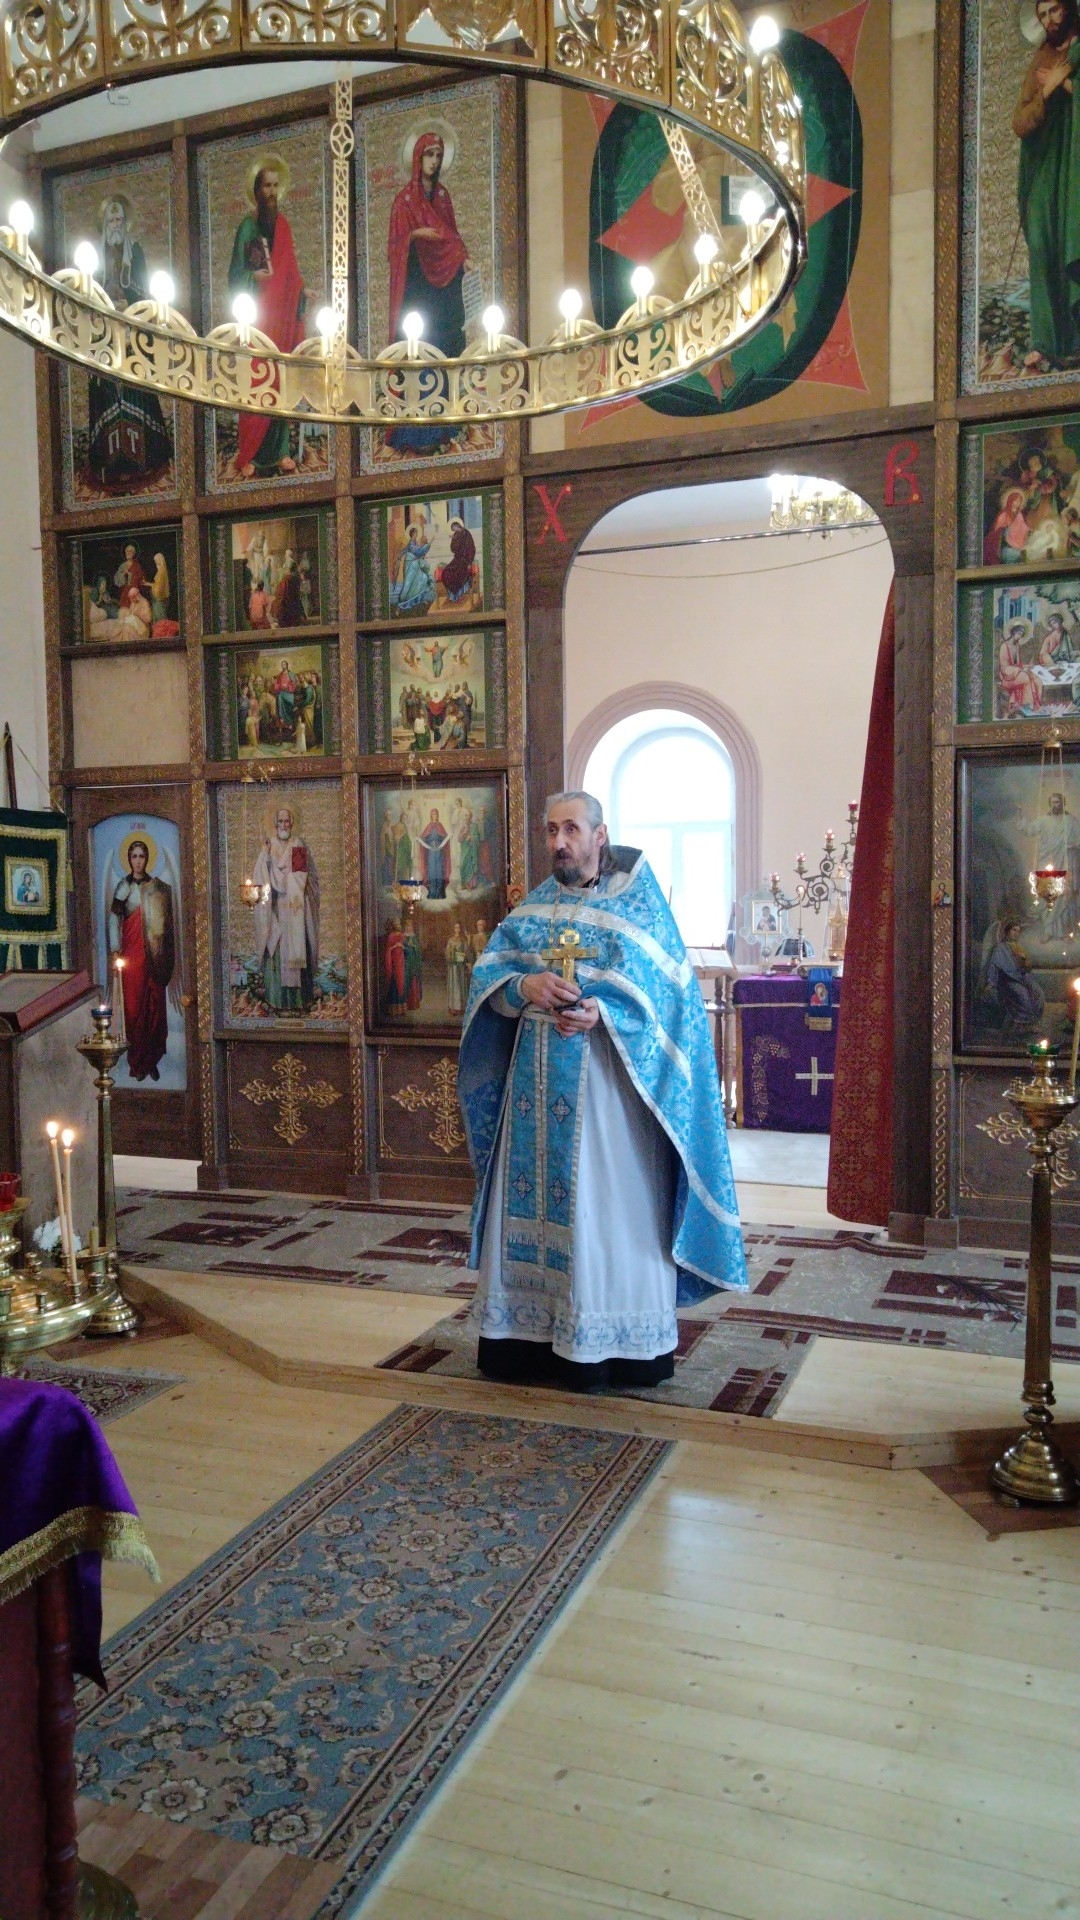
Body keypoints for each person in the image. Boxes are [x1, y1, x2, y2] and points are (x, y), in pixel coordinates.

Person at [457, 791, 747, 1390]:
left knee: (604, 1213)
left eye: (570, 829)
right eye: (550, 831)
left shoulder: (639, 906)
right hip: (533, 1090)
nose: (558, 842)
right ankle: (525, 1340)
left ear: (599, 834)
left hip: (611, 1099)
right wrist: (523, 987)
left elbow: (672, 1007)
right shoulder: (534, 908)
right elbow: (490, 977)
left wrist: (605, 1013)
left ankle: (610, 1347)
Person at [227, 158, 306, 479]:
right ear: (257, 190)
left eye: (275, 186)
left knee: (279, 378)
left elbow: (291, 272)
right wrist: (255, 279)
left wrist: (303, 292)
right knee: (257, 380)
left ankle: (281, 450)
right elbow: (239, 275)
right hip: (258, 317)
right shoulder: (249, 227)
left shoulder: (282, 225)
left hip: (281, 314)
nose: (271, 192)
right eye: (266, 186)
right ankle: (250, 453)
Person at [87, 196, 173, 490]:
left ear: (126, 223)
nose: (115, 225)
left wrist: (128, 302)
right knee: (107, 390)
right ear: (104, 224)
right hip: (105, 334)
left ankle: (146, 459)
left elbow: (143, 290)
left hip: (131, 331)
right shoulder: (95, 259)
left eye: (119, 220)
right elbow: (90, 294)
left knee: (135, 386)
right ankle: (109, 466)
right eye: (111, 220)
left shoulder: (134, 252)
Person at [1013, 0, 1080, 367]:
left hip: (1075, 165)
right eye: (1042, 14)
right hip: (1044, 166)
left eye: (1054, 9)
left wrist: (1066, 84)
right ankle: (1046, 341)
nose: (1050, 19)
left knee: (1074, 240)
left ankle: (1075, 338)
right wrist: (1046, 91)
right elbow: (1020, 122)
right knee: (1041, 246)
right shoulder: (1041, 60)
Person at [108, 838, 176, 1082]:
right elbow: (114, 919)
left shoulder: (156, 887)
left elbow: (164, 925)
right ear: (129, 859)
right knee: (135, 1008)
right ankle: (137, 1062)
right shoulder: (123, 887)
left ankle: (152, 1060)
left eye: (141, 856)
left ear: (147, 859)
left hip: (153, 957)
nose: (138, 861)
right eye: (134, 856)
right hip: (132, 955)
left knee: (154, 1005)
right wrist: (115, 948)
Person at [251, 805, 320, 1013]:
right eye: (280, 821)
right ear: (275, 824)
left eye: (287, 821)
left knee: (296, 947)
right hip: (275, 908)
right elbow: (260, 878)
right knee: (276, 947)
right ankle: (276, 1000)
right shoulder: (268, 845)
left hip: (294, 908)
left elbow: (301, 878)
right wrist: (266, 858)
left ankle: (299, 1001)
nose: (284, 825)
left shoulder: (297, 845)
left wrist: (283, 881)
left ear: (292, 823)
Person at [985, 920, 1046, 1027]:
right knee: (1024, 996)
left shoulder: (1019, 947)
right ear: (1007, 932)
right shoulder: (999, 948)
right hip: (1008, 979)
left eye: (1018, 931)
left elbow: (1028, 968)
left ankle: (1035, 1020)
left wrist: (1024, 960)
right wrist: (990, 983)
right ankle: (1023, 1025)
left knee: (1039, 994)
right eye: (1014, 930)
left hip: (1022, 976)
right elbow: (994, 966)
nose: (1016, 933)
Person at [390, 525, 437, 617]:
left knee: (423, 579)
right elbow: (417, 552)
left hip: (415, 565)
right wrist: (428, 544)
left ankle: (419, 600)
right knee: (407, 586)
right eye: (415, 533)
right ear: (412, 534)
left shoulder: (414, 543)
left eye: (417, 533)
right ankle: (399, 607)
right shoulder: (411, 543)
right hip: (410, 566)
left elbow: (419, 552)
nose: (416, 535)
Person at [998, 621, 1043, 712]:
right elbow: (1005, 668)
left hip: (1016, 673)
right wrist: (1021, 669)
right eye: (1019, 633)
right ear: (1013, 632)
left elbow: (1018, 664)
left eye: (1021, 635)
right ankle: (1027, 705)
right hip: (1007, 678)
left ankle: (1037, 703)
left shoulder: (1016, 645)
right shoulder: (1004, 646)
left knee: (1037, 679)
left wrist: (1027, 666)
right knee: (1025, 677)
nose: (1019, 637)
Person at [438, 516, 477, 604]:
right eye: (453, 529)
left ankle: (457, 595)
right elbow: (453, 549)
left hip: (465, 559)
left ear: (458, 525)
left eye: (454, 528)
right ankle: (453, 596)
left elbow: (471, 547)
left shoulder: (466, 533)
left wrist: (469, 561)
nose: (454, 530)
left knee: (460, 573)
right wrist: (453, 539)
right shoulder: (455, 535)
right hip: (457, 558)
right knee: (446, 572)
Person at [419, 808, 451, 900]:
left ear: (437, 815)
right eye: (433, 814)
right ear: (430, 815)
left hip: (439, 852)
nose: (434, 816)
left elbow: (445, 838)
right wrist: (420, 840)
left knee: (439, 871)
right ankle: (432, 892)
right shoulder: (428, 826)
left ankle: (440, 893)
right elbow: (423, 838)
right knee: (432, 871)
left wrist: (445, 840)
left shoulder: (440, 826)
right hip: (431, 852)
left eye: (435, 814)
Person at [445, 920, 470, 1015]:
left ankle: (461, 1007)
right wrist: (451, 957)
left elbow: (466, 952)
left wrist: (463, 958)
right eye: (455, 928)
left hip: (461, 967)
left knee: (461, 986)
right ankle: (453, 1007)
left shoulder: (463, 940)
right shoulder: (451, 940)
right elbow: (447, 952)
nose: (457, 929)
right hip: (453, 967)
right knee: (454, 986)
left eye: (458, 928)